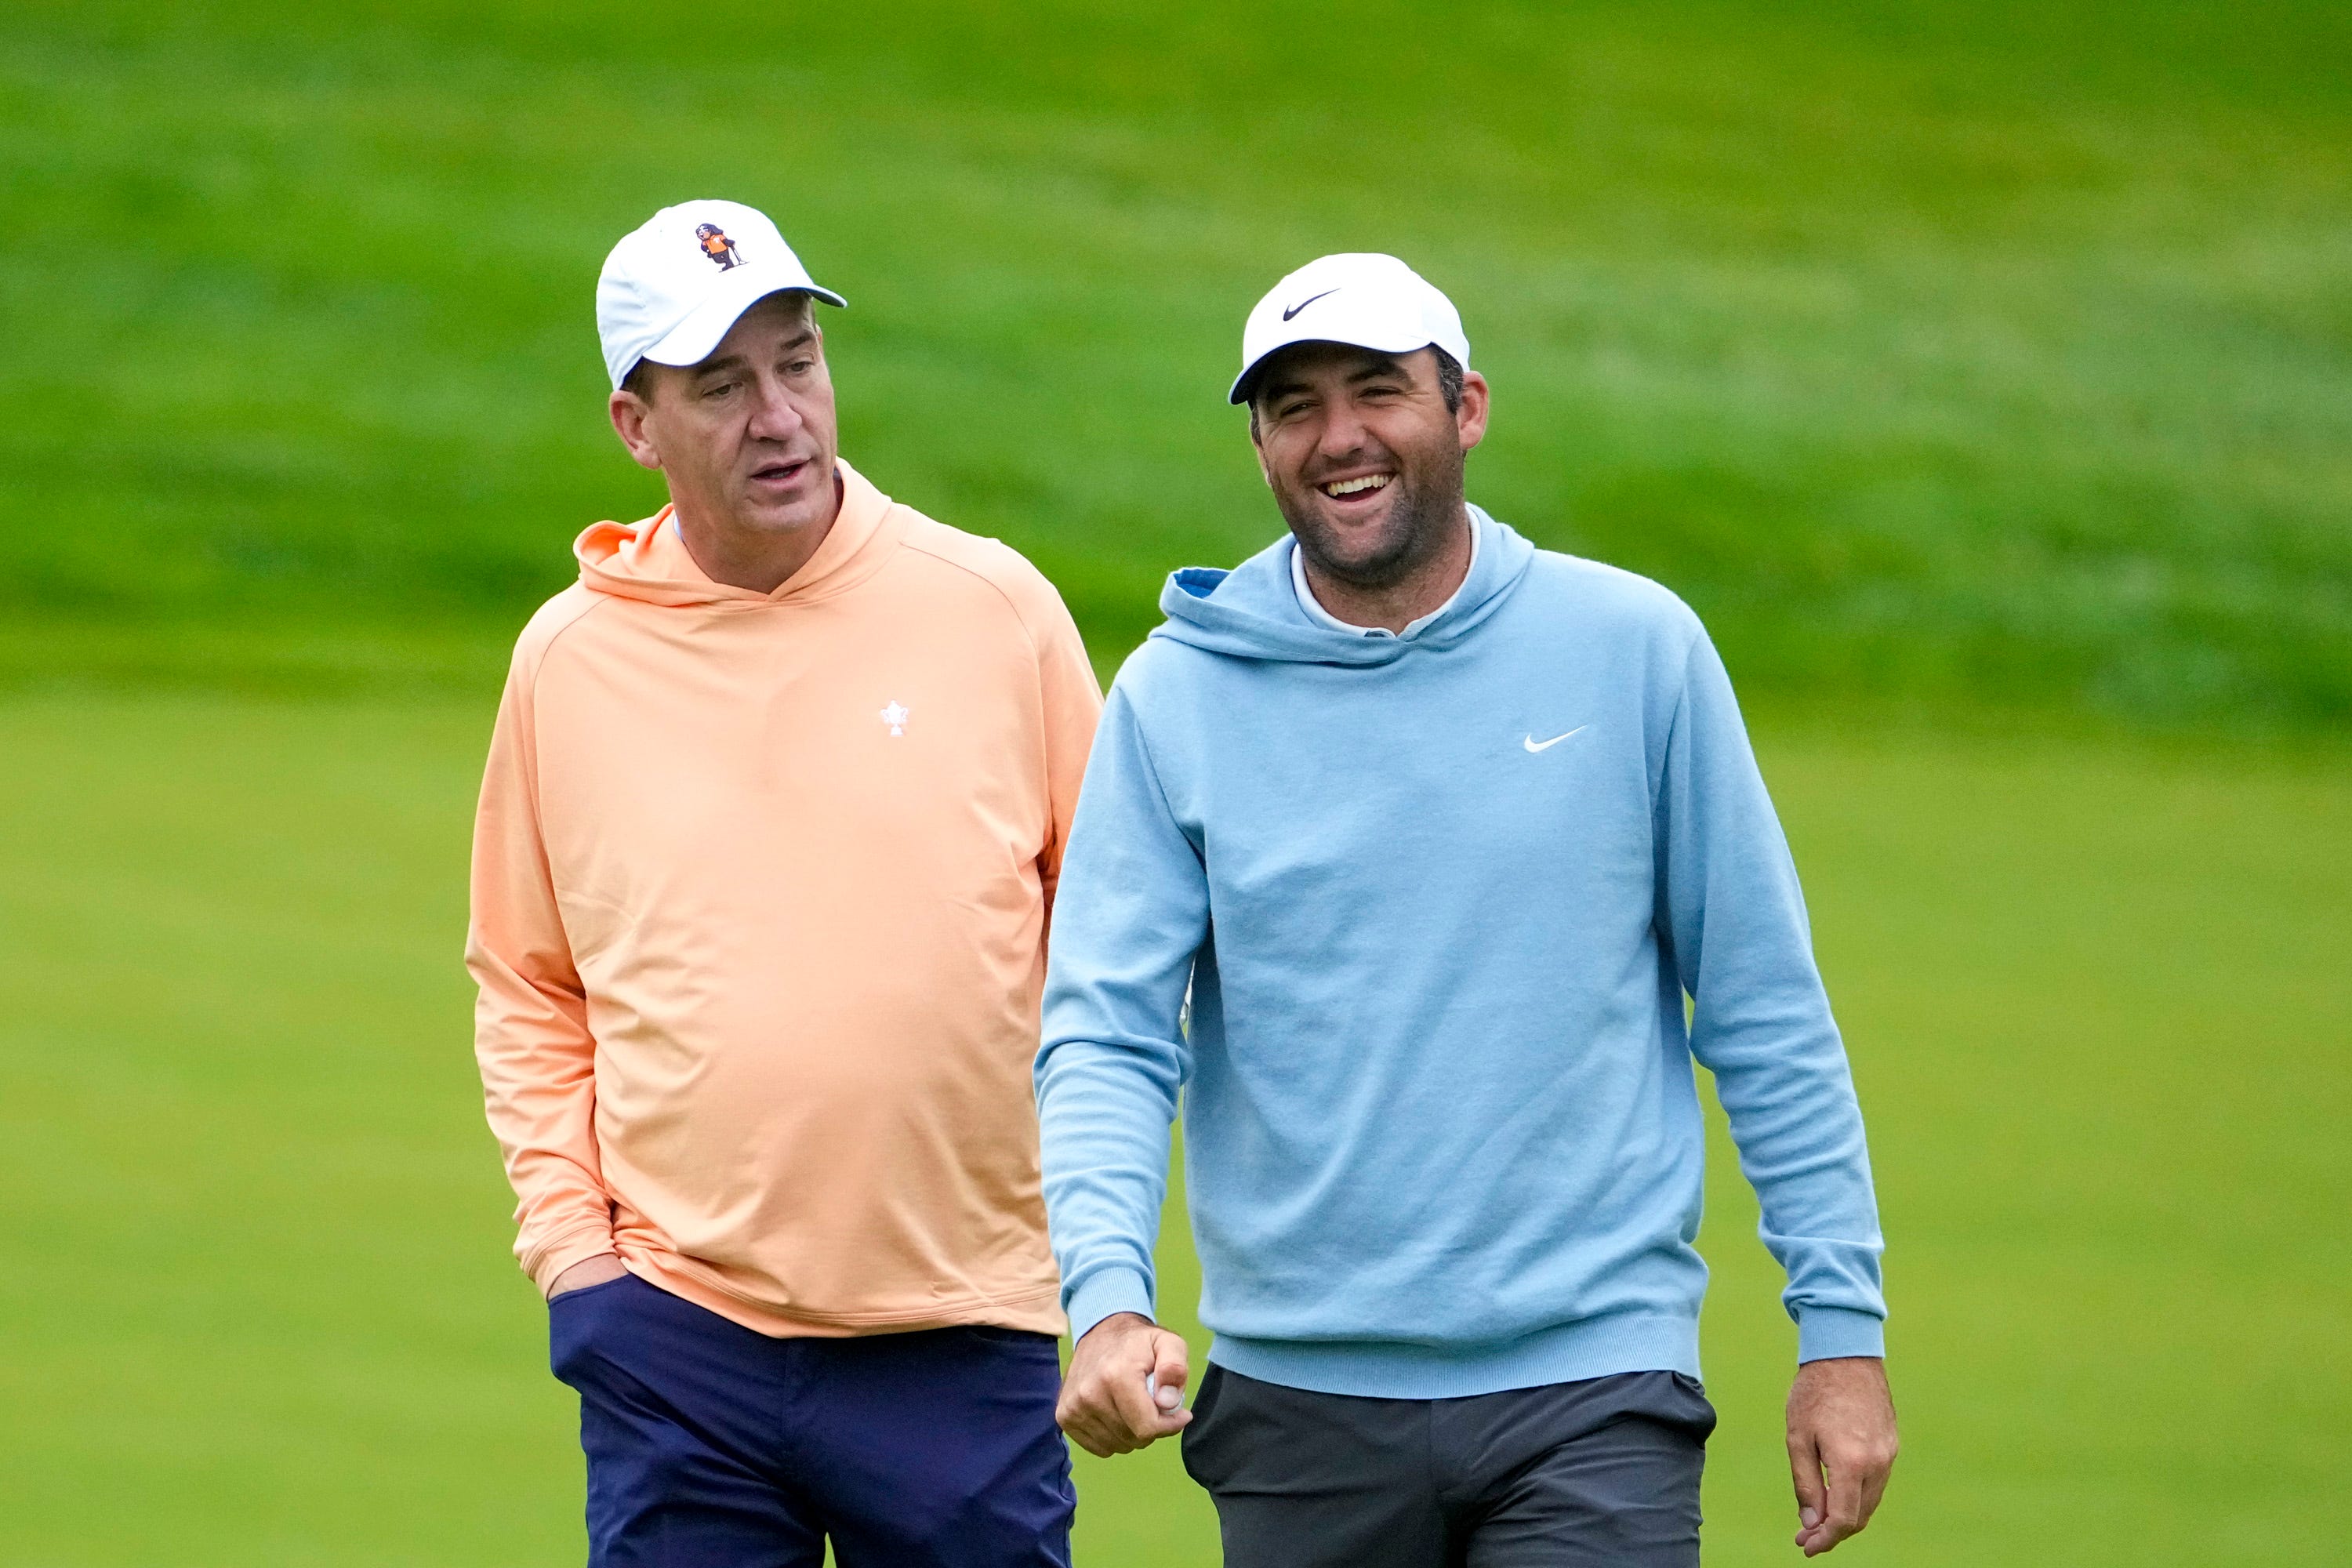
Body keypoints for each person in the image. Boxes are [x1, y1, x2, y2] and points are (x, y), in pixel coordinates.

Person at [1035, 252, 1897, 1566]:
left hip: (1593, 1389)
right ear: (1261, 443)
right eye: (1294, 407)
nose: (1340, 439)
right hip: (1299, 1404)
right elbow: (1107, 1033)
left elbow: (1764, 1007)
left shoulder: (1634, 650)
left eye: (1378, 391)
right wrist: (1106, 1298)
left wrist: (1841, 1336)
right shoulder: (1175, 696)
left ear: (1468, 407)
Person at [466, 199, 1099, 1566]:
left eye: (797, 361)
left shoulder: (992, 611)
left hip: (961, 1331)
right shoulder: (569, 660)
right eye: (723, 384)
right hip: (677, 1337)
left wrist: (1103, 1278)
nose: (780, 416)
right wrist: (577, 1261)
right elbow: (527, 979)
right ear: (637, 425)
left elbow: (1114, 961)